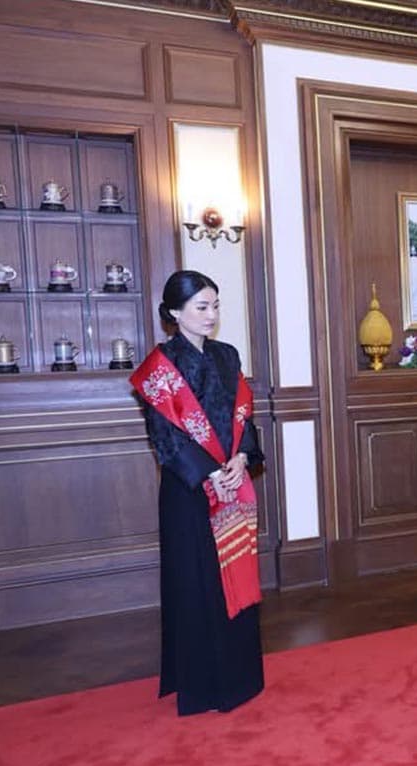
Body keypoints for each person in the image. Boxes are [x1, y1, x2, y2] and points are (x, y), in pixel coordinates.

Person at [131, 270, 265, 716]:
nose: (211, 315)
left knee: (236, 575)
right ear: (174, 313)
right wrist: (209, 475)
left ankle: (241, 676)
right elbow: (165, 438)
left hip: (231, 478)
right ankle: (205, 685)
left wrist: (242, 459)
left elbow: (243, 416)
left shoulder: (227, 355)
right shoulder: (160, 367)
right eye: (201, 307)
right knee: (199, 581)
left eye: (215, 306)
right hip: (190, 492)